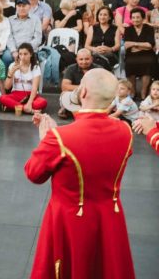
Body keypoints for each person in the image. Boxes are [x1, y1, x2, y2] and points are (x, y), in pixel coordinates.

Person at [27, 69, 135, 279]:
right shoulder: (125, 131)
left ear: (82, 92)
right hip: (110, 218)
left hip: (69, 220)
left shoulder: (60, 138)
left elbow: (34, 174)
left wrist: (47, 140)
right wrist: (57, 138)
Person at [0, 43, 47, 113]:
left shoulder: (35, 67)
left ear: (30, 54)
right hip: (16, 94)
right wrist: (11, 73)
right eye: (20, 54)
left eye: (25, 54)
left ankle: (17, 107)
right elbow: (7, 87)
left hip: (31, 95)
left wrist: (29, 103)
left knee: (42, 102)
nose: (22, 57)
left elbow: (34, 88)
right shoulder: (12, 65)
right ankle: (27, 109)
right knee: (2, 98)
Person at [123, 8, 156, 99]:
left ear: (143, 18)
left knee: (148, 62)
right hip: (132, 54)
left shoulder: (149, 28)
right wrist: (142, 46)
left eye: (138, 17)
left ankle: (143, 91)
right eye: (133, 17)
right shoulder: (128, 29)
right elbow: (126, 45)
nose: (135, 20)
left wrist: (134, 44)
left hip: (147, 54)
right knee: (130, 63)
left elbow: (150, 45)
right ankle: (133, 90)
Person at [58, 49, 100, 119]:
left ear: (91, 59)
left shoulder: (98, 69)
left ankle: (75, 111)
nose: (84, 62)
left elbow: (102, 86)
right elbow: (65, 87)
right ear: (76, 59)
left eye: (87, 59)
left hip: (92, 95)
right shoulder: (70, 68)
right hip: (76, 94)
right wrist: (83, 88)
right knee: (64, 93)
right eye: (81, 59)